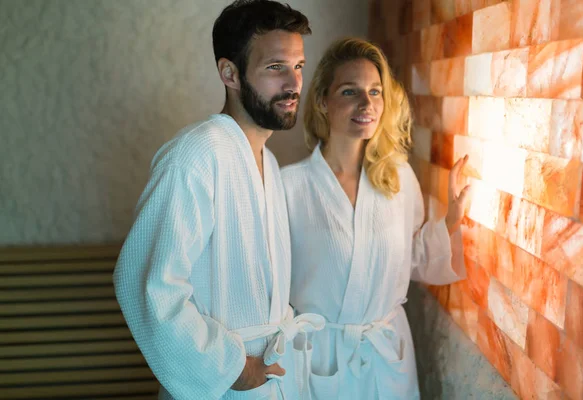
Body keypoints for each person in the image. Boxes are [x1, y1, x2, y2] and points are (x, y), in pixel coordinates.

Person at [113, 1, 324, 399]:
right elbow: (144, 283)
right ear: (230, 73)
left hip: (271, 379)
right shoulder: (194, 156)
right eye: (276, 67)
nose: (294, 83)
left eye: (298, 66)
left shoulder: (269, 162)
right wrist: (230, 368)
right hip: (222, 383)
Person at [281, 38, 470, 399]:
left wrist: (451, 219)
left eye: (375, 91)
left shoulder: (396, 178)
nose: (366, 104)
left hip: (387, 359)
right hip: (321, 362)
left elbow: (412, 257)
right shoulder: (290, 187)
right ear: (322, 100)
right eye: (350, 91)